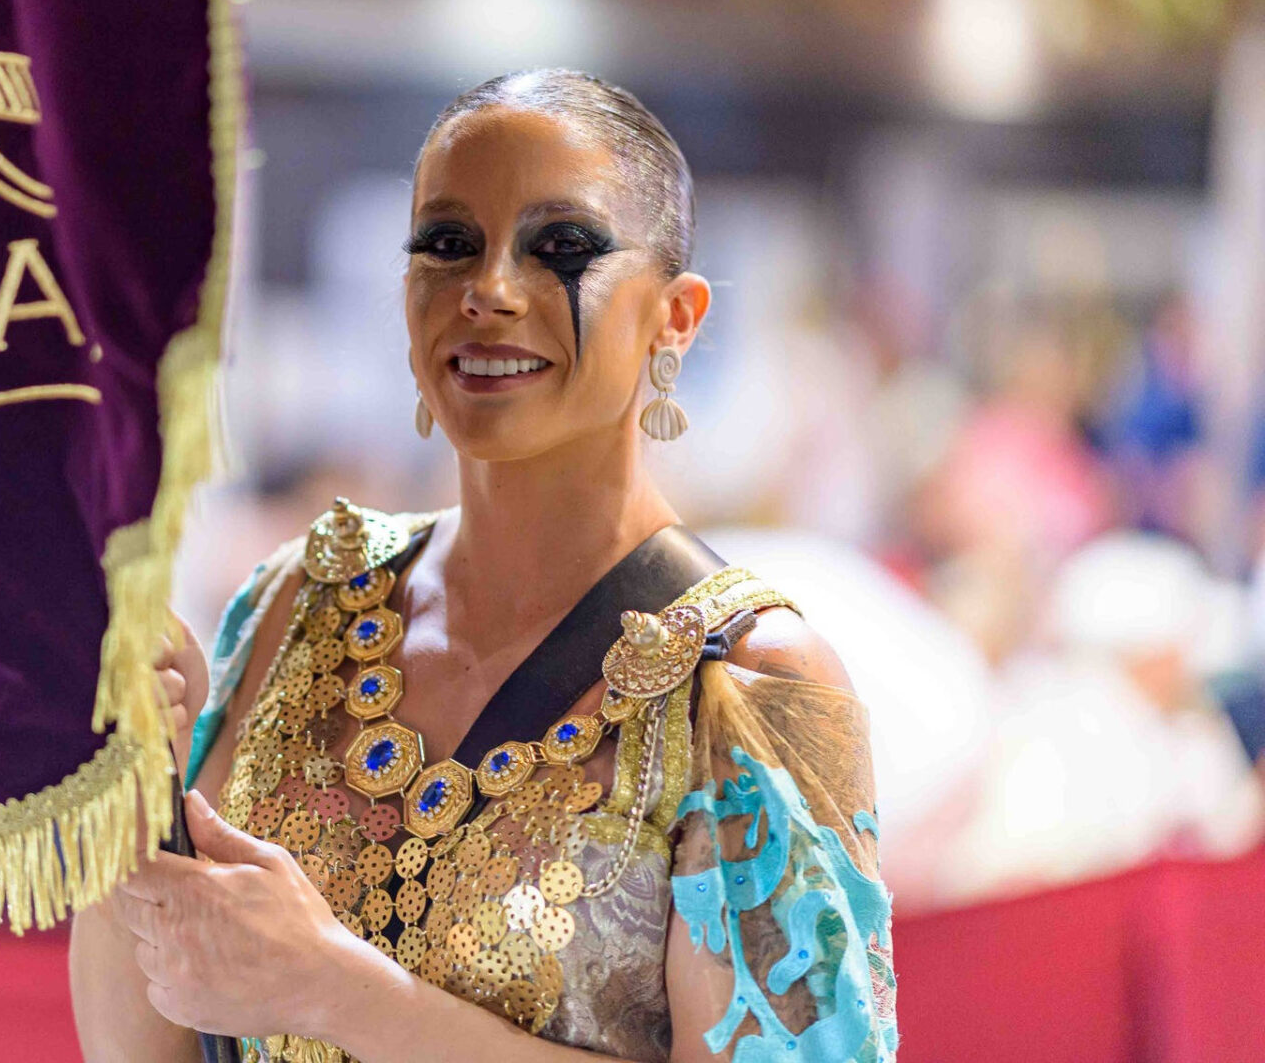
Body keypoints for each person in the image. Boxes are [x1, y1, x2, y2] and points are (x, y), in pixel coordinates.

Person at [70, 70, 899, 1062]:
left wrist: (341, 993)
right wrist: (132, 801)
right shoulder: (299, 603)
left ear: (675, 317)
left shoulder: (744, 683)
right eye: (448, 244)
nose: (489, 290)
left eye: (564, 248)